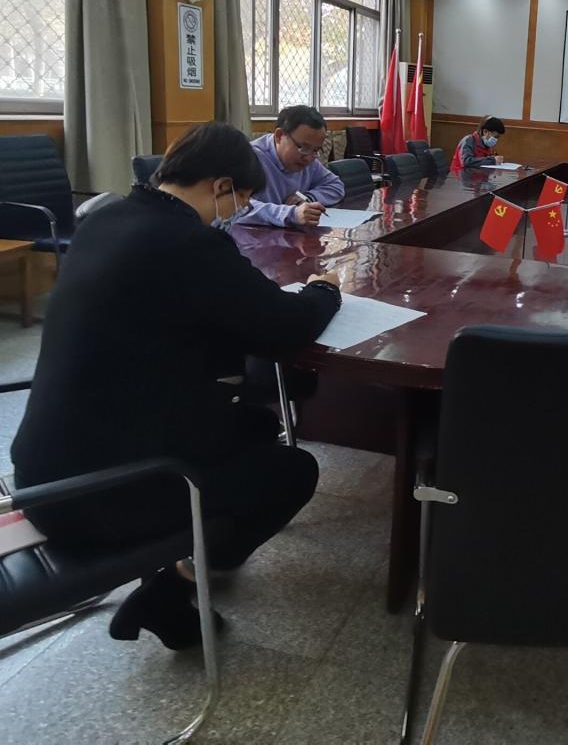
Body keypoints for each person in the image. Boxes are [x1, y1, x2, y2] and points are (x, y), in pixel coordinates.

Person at [11, 122, 343, 651]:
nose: (237, 210)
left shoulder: (106, 217)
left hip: (42, 469)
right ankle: (171, 588)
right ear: (220, 186)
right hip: (100, 495)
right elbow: (286, 327)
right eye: (241, 199)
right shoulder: (190, 244)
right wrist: (324, 292)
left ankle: (189, 559)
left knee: (256, 426)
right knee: (292, 470)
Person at [240, 105, 345, 228]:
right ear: (279, 136)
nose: (308, 158)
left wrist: (309, 197)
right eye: (303, 147)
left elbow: (336, 186)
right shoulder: (249, 158)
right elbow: (236, 206)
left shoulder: (310, 160)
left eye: (316, 150)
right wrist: (291, 214)